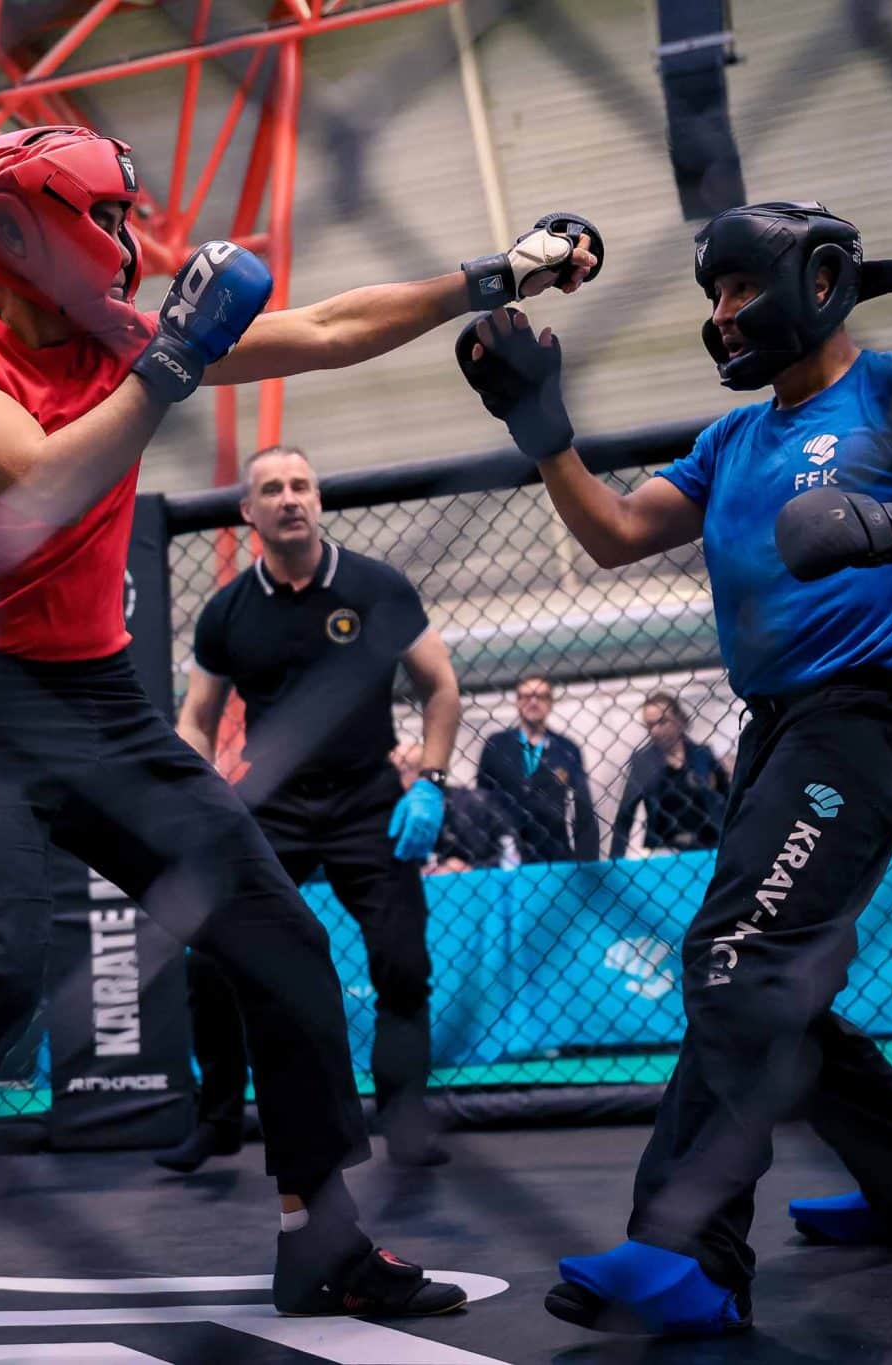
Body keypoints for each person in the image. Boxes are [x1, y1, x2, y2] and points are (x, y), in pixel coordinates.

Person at [0, 123, 599, 1364]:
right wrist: (172, 360)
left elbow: (328, 328)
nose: (126, 246)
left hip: (101, 705)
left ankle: (320, 1238)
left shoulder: (122, 342)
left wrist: (495, 273)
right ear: (22, 227)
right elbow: (41, 485)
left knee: (279, 941)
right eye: (106, 220)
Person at [456, 200, 892, 1336]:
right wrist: (543, 433)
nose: (724, 315)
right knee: (777, 982)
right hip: (773, 733)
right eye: (714, 297)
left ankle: (688, 1254)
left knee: (735, 957)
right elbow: (614, 534)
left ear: (818, 282)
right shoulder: (732, 442)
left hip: (862, 722)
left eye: (740, 289)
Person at [169, 445, 462, 1172]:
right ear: (249, 511)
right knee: (212, 958)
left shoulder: (375, 586)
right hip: (272, 804)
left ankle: (404, 1116)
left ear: (319, 499)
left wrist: (431, 780)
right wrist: (204, 797)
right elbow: (196, 718)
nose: (290, 498)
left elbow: (441, 687)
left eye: (301, 485)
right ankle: (218, 1118)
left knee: (401, 962)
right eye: (272, 489)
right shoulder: (227, 611)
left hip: (369, 798)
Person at [477, 675, 599, 863]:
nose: (533, 702)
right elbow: (481, 798)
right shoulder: (496, 745)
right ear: (517, 702)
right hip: (504, 851)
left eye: (541, 697)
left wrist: (587, 862)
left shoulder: (567, 749)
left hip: (555, 851)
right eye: (526, 696)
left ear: (550, 703)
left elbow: (583, 809)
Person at [611, 693, 730, 856]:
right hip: (664, 848)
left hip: (709, 843)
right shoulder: (643, 761)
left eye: (662, 722)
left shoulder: (702, 754)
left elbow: (728, 798)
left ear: (679, 721)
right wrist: (615, 861)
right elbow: (625, 815)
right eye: (649, 725)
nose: (655, 731)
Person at [395, 743, 514, 871]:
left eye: (407, 769)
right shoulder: (392, 812)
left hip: (483, 878)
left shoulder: (476, 804)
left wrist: (470, 869)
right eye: (394, 772)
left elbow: (512, 856)